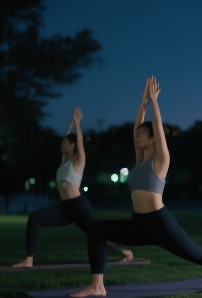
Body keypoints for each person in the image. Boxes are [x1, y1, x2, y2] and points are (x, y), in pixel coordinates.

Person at [70, 77, 202, 297]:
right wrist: (142, 103)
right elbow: (136, 127)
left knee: (200, 256)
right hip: (138, 224)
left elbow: (158, 127)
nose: (137, 137)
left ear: (152, 139)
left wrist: (154, 102)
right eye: (137, 134)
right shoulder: (140, 160)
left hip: (160, 224)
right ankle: (97, 286)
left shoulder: (160, 160)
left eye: (142, 134)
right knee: (97, 229)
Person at [11, 108, 133, 268]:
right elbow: (66, 136)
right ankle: (29, 259)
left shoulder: (78, 161)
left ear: (73, 145)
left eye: (65, 143)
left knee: (96, 233)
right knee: (34, 218)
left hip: (78, 205)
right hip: (65, 208)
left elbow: (80, 143)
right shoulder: (64, 162)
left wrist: (77, 123)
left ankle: (124, 251)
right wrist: (70, 122)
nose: (62, 144)